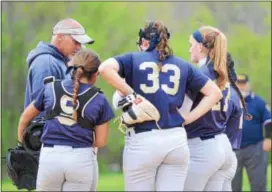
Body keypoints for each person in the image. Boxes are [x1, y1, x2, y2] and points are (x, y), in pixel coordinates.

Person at [99, 20, 222, 191]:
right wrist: (187, 119)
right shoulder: (183, 64)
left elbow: (104, 68)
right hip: (176, 138)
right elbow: (215, 93)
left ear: (144, 41)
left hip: (143, 138)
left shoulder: (133, 58)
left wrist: (132, 95)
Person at [17, 49, 114, 191]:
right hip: (80, 158)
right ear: (95, 74)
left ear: (71, 68)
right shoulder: (99, 99)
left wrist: (22, 146)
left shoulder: (51, 87)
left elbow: (24, 118)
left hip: (50, 157)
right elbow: (101, 141)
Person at [180, 26, 248, 191]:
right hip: (222, 143)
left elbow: (182, 113)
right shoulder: (223, 73)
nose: (190, 49)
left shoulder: (201, 74)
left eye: (191, 44)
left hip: (202, 146)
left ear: (200, 46)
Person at [24, 18, 94, 110]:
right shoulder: (47, 63)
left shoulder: (61, 62)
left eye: (80, 43)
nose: (79, 47)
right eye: (76, 42)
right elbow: (42, 112)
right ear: (60, 37)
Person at [232, 74, 271, 192]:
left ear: (248, 84)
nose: (241, 86)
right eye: (238, 84)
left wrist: (268, 138)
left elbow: (268, 120)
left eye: (243, 84)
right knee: (232, 185)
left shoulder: (258, 101)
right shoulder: (229, 101)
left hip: (255, 148)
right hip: (233, 149)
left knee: (258, 184)